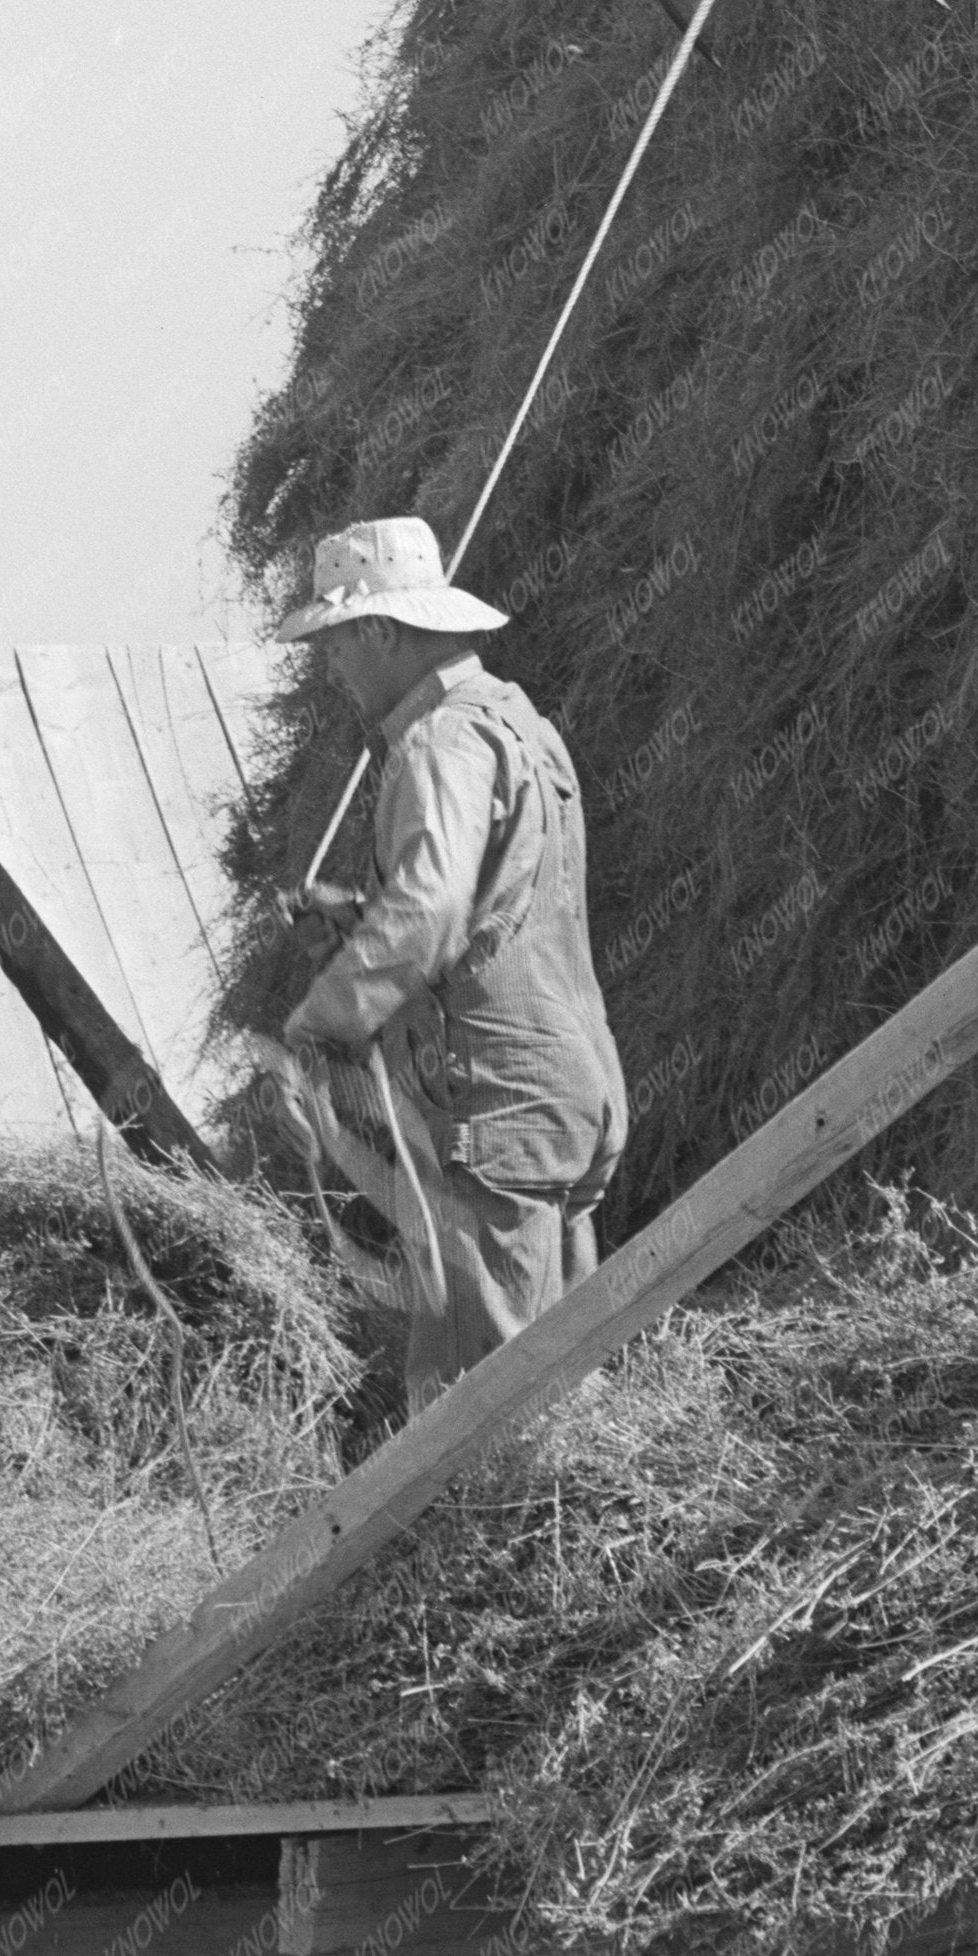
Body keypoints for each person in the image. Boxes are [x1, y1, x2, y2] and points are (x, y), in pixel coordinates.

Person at [266, 514, 628, 1406]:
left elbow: (430, 913)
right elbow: (501, 901)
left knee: (477, 1416)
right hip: (572, 1094)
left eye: (334, 641)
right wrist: (363, 924)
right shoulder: (521, 725)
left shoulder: (434, 743)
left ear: (379, 629)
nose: (333, 668)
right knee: (569, 1393)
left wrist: (318, 1027)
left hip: (494, 1111)